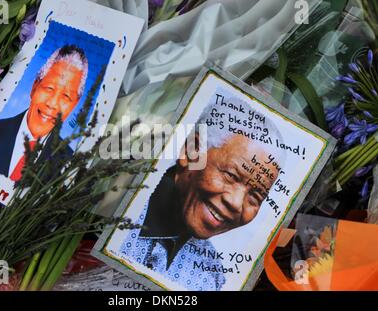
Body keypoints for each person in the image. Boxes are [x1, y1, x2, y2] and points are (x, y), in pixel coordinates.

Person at [119, 97, 285, 290]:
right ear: (192, 150)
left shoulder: (211, 279)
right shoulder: (111, 206)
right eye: (231, 175)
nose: (236, 203)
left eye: (255, 197)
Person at [0, 45, 88, 181]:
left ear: (74, 104)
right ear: (34, 87)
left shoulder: (68, 165)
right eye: (49, 88)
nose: (52, 103)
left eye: (66, 96)